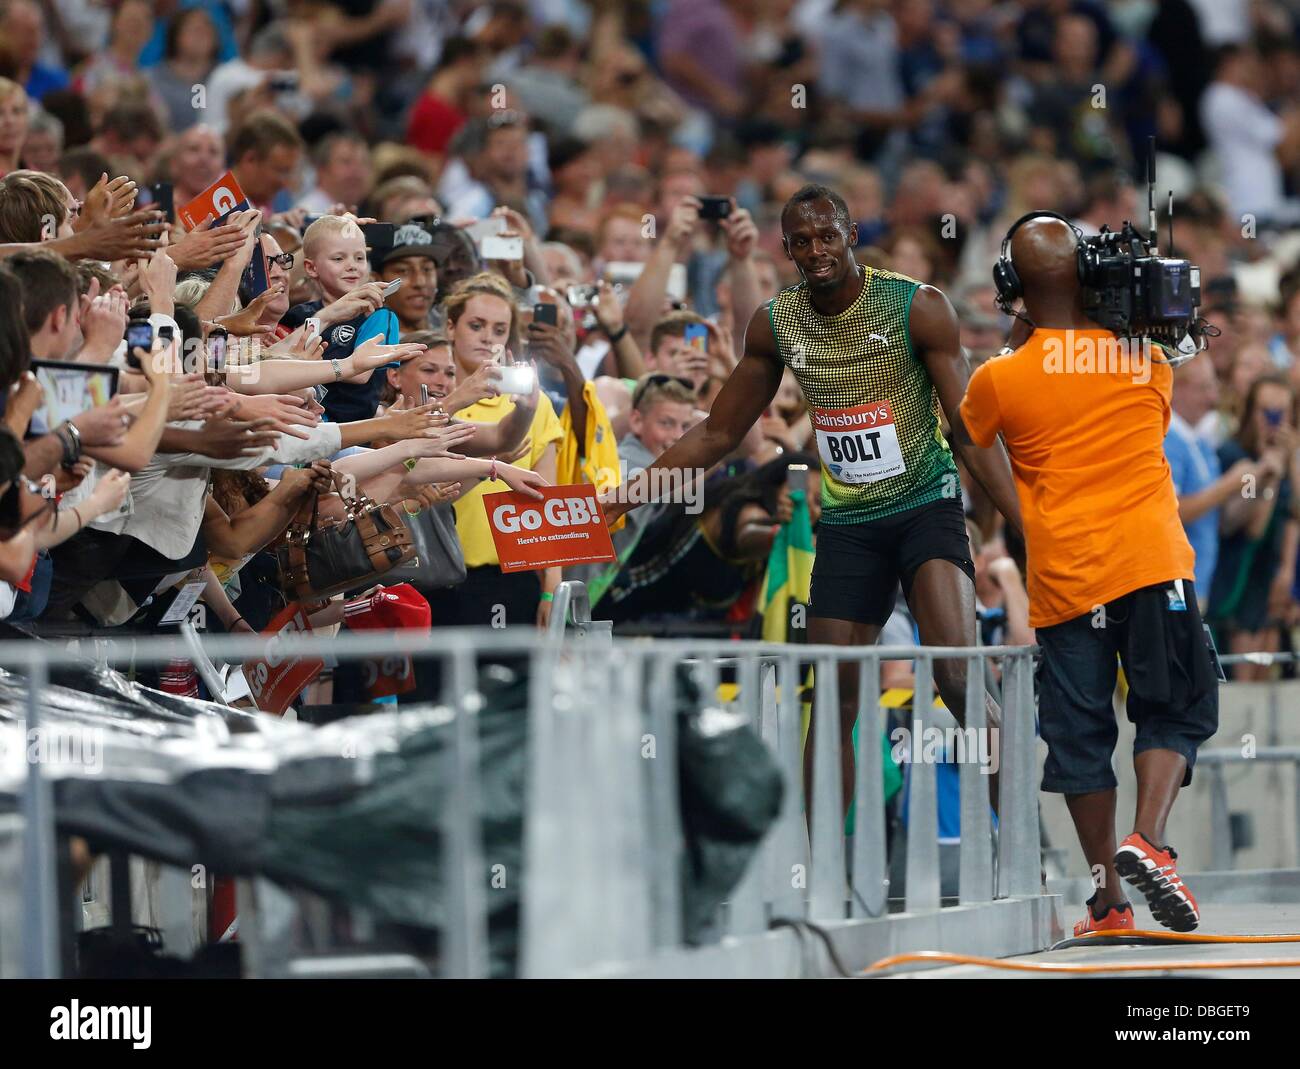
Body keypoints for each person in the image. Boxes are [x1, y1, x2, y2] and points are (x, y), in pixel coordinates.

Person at [604, 183, 1022, 811]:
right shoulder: (776, 323)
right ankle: (822, 880)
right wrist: (629, 495)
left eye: (828, 235)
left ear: (852, 235)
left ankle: (1024, 853)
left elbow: (966, 428)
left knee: (958, 677)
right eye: (801, 241)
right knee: (830, 695)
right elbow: (719, 431)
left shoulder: (918, 307)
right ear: (789, 251)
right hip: (850, 522)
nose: (817, 250)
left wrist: (1024, 523)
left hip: (923, 507)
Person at [960, 213, 1218, 935]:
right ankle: (1152, 840)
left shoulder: (997, 380)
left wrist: (1023, 336)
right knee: (1176, 708)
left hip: (1065, 579)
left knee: (1079, 739)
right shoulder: (1147, 360)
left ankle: (1108, 900)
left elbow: (972, 436)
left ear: (1012, 286)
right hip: (1151, 559)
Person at [1206, 373, 1299, 680]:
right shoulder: (1236, 457)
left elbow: (1295, 513)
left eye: (1281, 412)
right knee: (1241, 685)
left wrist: (1291, 464)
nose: (1273, 421)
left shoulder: (1288, 458)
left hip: (1269, 582)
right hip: (1237, 585)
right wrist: (1269, 474)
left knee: (1267, 680)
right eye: (1265, 411)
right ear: (1250, 413)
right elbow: (1250, 527)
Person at [1165, 352, 1258, 604]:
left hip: (1200, 581)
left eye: (1213, 387)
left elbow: (1221, 519)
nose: (1213, 398)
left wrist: (1257, 486)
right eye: (1204, 388)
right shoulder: (1168, 439)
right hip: (1174, 585)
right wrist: (1229, 484)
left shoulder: (1199, 441)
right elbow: (1171, 511)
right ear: (1178, 388)